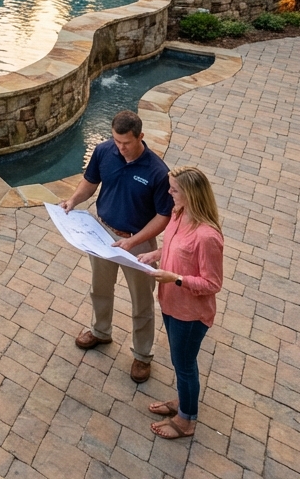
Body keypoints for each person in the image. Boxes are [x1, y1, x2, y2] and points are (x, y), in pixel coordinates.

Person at [59, 109, 173, 382]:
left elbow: (164, 216)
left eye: (126, 143)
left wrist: (133, 241)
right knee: (99, 288)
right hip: (102, 234)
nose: (120, 148)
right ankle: (100, 332)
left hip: (138, 242)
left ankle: (142, 356)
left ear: (140, 137)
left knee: (142, 300)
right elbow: (90, 182)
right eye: (116, 141)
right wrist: (73, 201)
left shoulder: (158, 171)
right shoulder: (104, 151)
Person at [137, 165, 224, 439]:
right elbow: (174, 245)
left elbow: (212, 284)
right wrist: (155, 255)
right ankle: (184, 403)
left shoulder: (208, 237)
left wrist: (175, 278)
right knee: (179, 362)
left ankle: (187, 421)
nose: (168, 192)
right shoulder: (179, 212)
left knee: (185, 366)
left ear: (190, 194)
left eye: (174, 189)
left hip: (190, 314)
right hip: (170, 304)